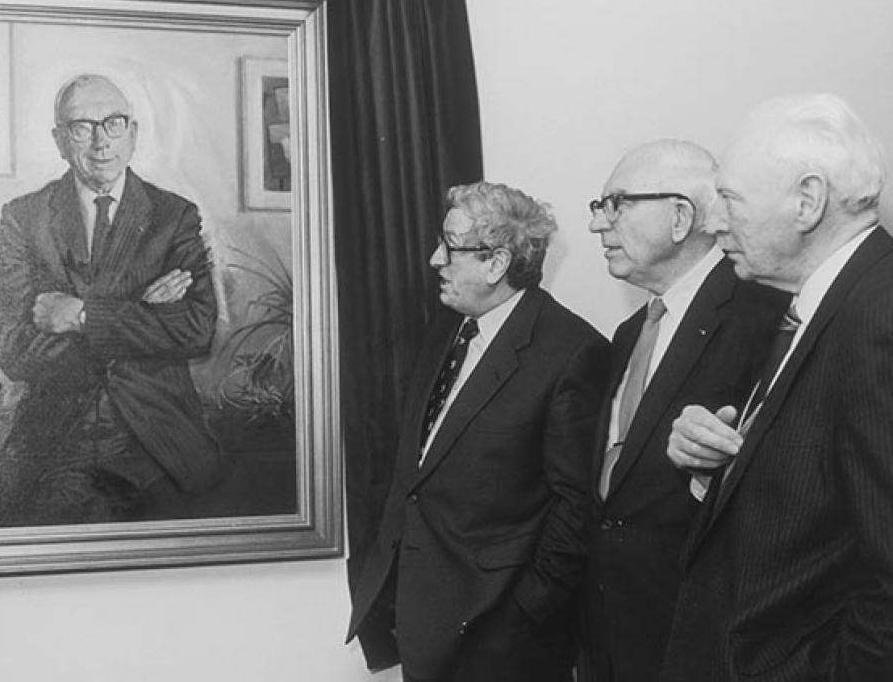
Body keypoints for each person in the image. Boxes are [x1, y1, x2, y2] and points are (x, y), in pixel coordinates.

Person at [662, 93, 893, 681]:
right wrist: (714, 473)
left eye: (731, 200)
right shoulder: (819, 305)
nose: (714, 223)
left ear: (808, 201)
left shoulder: (879, 318)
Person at [346, 182, 609, 682]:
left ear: (496, 263)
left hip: (502, 641)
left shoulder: (571, 352)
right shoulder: (451, 329)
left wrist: (521, 615)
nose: (433, 259)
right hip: (427, 624)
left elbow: (575, 509)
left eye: (451, 245)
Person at [581, 140, 786, 682]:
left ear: (680, 217)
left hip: (704, 642)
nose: (599, 224)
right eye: (599, 207)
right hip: (614, 634)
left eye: (616, 203)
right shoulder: (629, 334)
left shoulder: (763, 315)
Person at [0, 73, 219, 525]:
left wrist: (79, 315)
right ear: (59, 140)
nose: (100, 142)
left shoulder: (174, 217)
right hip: (56, 441)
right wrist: (141, 313)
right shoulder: (24, 218)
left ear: (133, 134)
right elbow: (13, 349)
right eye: (81, 127)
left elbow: (197, 329)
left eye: (113, 123)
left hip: (158, 440)